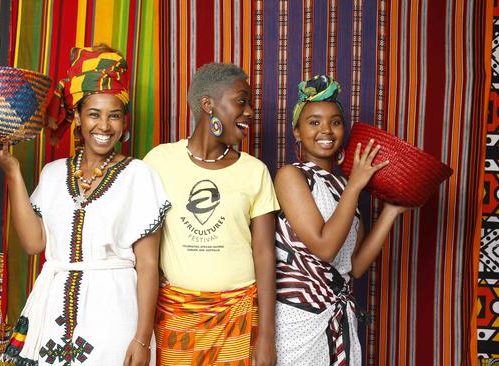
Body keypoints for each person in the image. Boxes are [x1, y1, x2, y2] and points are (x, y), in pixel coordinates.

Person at [0, 45, 170, 366]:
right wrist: (12, 170)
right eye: (94, 114)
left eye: (114, 115)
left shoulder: (139, 176)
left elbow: (148, 265)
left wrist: (142, 338)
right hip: (51, 311)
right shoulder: (52, 175)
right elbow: (34, 244)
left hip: (114, 314)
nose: (104, 126)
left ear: (124, 120)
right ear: (77, 117)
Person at [144, 63, 279, 366]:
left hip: (239, 316)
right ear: (208, 105)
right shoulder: (159, 161)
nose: (250, 112)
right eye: (241, 101)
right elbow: (144, 251)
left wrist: (267, 336)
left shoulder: (254, 172)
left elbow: (265, 253)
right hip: (177, 316)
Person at [273, 75, 410, 365]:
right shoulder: (291, 176)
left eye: (335, 122)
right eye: (314, 122)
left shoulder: (343, 187)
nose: (326, 130)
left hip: (339, 316)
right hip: (298, 317)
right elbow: (325, 248)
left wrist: (390, 212)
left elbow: (355, 266)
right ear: (297, 132)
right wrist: (355, 186)